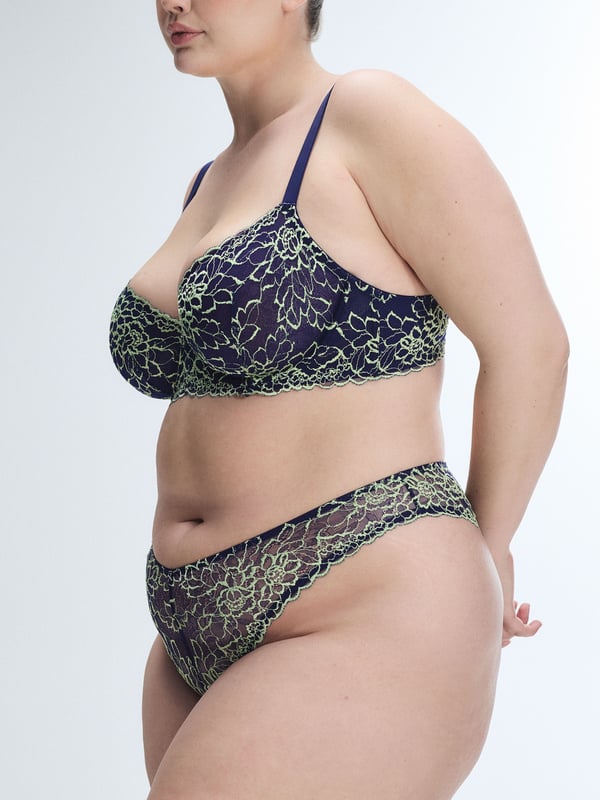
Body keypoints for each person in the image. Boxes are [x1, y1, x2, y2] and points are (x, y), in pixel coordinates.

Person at [109, 1, 568, 797]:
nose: (174, 2)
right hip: (189, 627)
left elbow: (531, 344)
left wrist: (490, 545)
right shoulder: (209, 181)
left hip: (362, 593)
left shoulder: (366, 113)